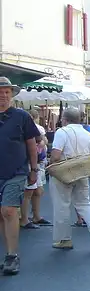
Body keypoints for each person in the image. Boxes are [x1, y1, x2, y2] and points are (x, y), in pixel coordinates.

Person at [49, 108, 90, 250]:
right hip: (82, 172)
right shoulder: (87, 134)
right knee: (84, 203)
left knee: (62, 204)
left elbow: (56, 155)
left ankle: (64, 239)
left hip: (64, 172)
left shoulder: (62, 132)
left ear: (64, 119)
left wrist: (49, 165)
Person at [0, 78, 39, 274]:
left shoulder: (21, 116)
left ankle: (12, 255)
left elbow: (31, 144)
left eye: (7, 92)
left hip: (16, 172)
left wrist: (34, 169)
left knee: (9, 210)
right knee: (1, 214)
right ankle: (7, 253)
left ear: (11, 95)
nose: (3, 95)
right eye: (0, 92)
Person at [20, 109, 51, 229]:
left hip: (38, 163)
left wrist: (42, 142)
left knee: (38, 191)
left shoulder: (36, 128)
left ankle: (36, 216)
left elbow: (43, 140)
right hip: (30, 163)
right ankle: (24, 218)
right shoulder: (24, 128)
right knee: (28, 191)